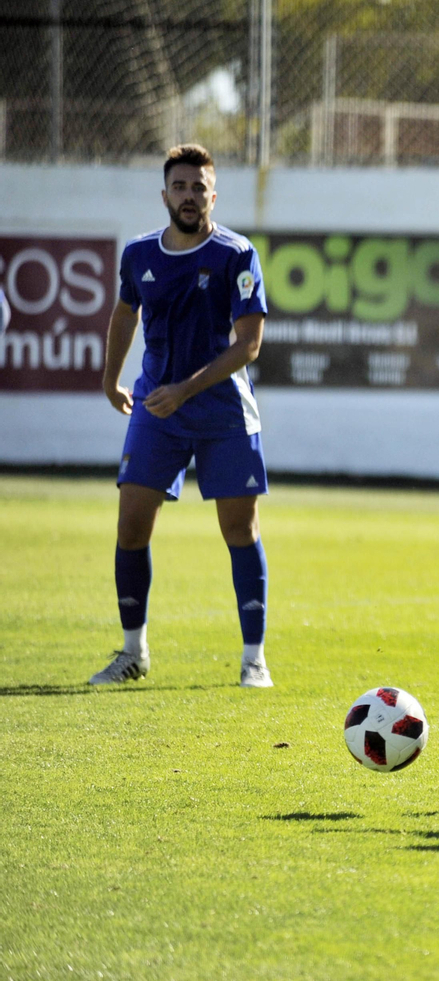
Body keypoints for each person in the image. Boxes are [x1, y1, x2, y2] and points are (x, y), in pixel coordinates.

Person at [92, 144, 273, 687]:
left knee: (239, 530)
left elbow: (249, 345)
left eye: (199, 187)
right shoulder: (139, 254)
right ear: (165, 195)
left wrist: (186, 389)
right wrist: (110, 379)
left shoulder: (237, 254)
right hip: (157, 408)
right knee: (130, 526)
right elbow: (125, 312)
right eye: (180, 187)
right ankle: (133, 653)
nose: (189, 196)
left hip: (223, 411)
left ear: (214, 196)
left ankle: (254, 659)